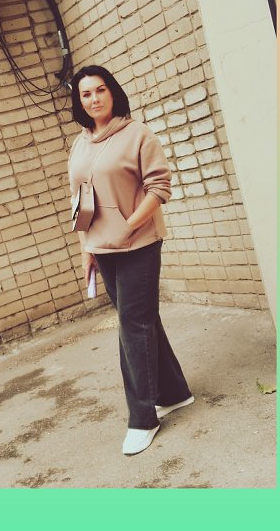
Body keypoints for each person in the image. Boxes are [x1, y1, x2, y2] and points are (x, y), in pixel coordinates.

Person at [67, 65, 194, 456]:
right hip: (102, 248)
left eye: (100, 90)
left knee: (132, 325)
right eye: (86, 94)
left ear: (113, 93)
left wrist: (128, 226)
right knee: (142, 320)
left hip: (139, 244)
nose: (94, 99)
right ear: (79, 101)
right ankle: (174, 393)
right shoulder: (79, 144)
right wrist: (87, 248)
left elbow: (159, 187)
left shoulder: (138, 134)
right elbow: (79, 200)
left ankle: (143, 418)